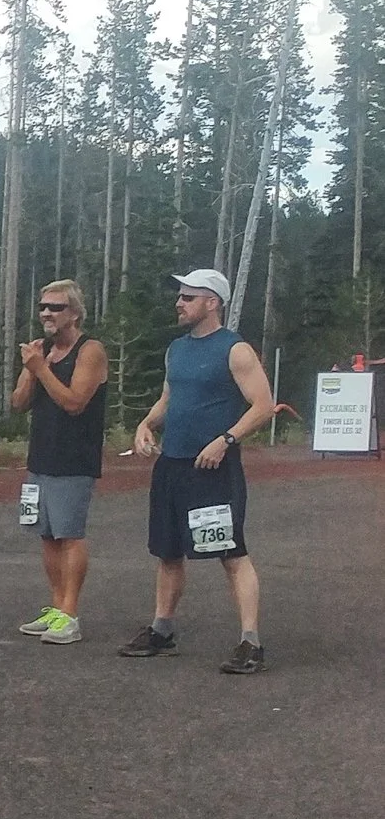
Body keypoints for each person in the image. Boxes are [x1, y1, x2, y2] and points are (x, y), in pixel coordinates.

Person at [119, 267, 276, 673]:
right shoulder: (177, 349)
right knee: (168, 551)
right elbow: (169, 398)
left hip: (213, 469)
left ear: (213, 302)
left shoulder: (234, 349)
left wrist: (225, 440)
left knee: (230, 552)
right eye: (180, 296)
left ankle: (250, 642)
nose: (179, 303)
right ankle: (162, 630)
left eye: (189, 297)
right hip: (173, 465)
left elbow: (262, 406)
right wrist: (145, 424)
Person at [8, 278, 109, 643]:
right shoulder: (43, 352)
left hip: (73, 460)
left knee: (69, 535)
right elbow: (18, 404)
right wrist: (31, 367)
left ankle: (70, 613)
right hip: (41, 457)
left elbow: (74, 402)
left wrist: (41, 369)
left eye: (56, 307)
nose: (47, 314)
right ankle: (55, 609)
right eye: (43, 307)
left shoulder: (90, 351)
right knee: (47, 535)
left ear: (75, 314)